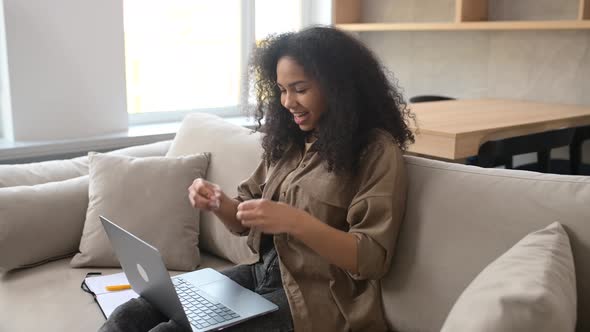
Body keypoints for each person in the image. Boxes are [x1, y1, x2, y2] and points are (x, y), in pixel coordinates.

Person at [99, 26, 414, 332]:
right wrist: (220, 203)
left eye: (300, 89)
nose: (288, 102)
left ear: (339, 87)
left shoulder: (375, 152)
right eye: (282, 90)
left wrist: (295, 221)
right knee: (131, 313)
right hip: (261, 273)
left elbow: (371, 259)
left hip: (318, 299)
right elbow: (242, 221)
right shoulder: (290, 143)